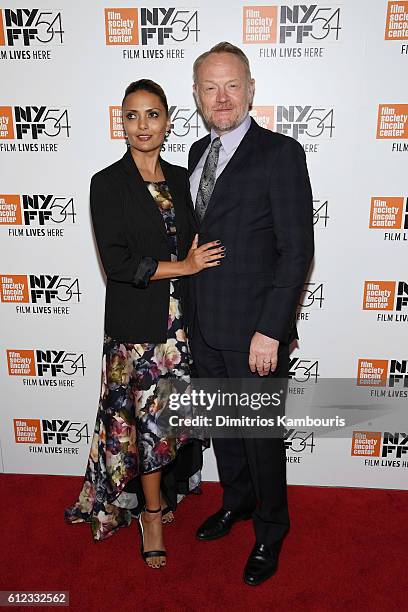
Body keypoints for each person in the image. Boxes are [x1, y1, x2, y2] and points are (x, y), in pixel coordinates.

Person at [65, 79, 224, 569]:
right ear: (122, 123)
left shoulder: (183, 178)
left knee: (169, 425)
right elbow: (119, 264)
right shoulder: (106, 183)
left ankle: (163, 495)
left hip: (182, 326)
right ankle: (150, 515)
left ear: (168, 121)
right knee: (145, 428)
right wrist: (184, 268)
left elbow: (203, 246)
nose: (142, 125)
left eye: (152, 115)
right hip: (137, 333)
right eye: (131, 116)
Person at [188, 43, 314, 585]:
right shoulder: (196, 152)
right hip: (203, 324)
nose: (222, 97)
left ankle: (270, 530)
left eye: (232, 85)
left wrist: (272, 329)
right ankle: (235, 502)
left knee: (261, 437)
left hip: (255, 331)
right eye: (210, 87)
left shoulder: (280, 153)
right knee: (225, 429)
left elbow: (297, 251)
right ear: (196, 95)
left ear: (251, 89)